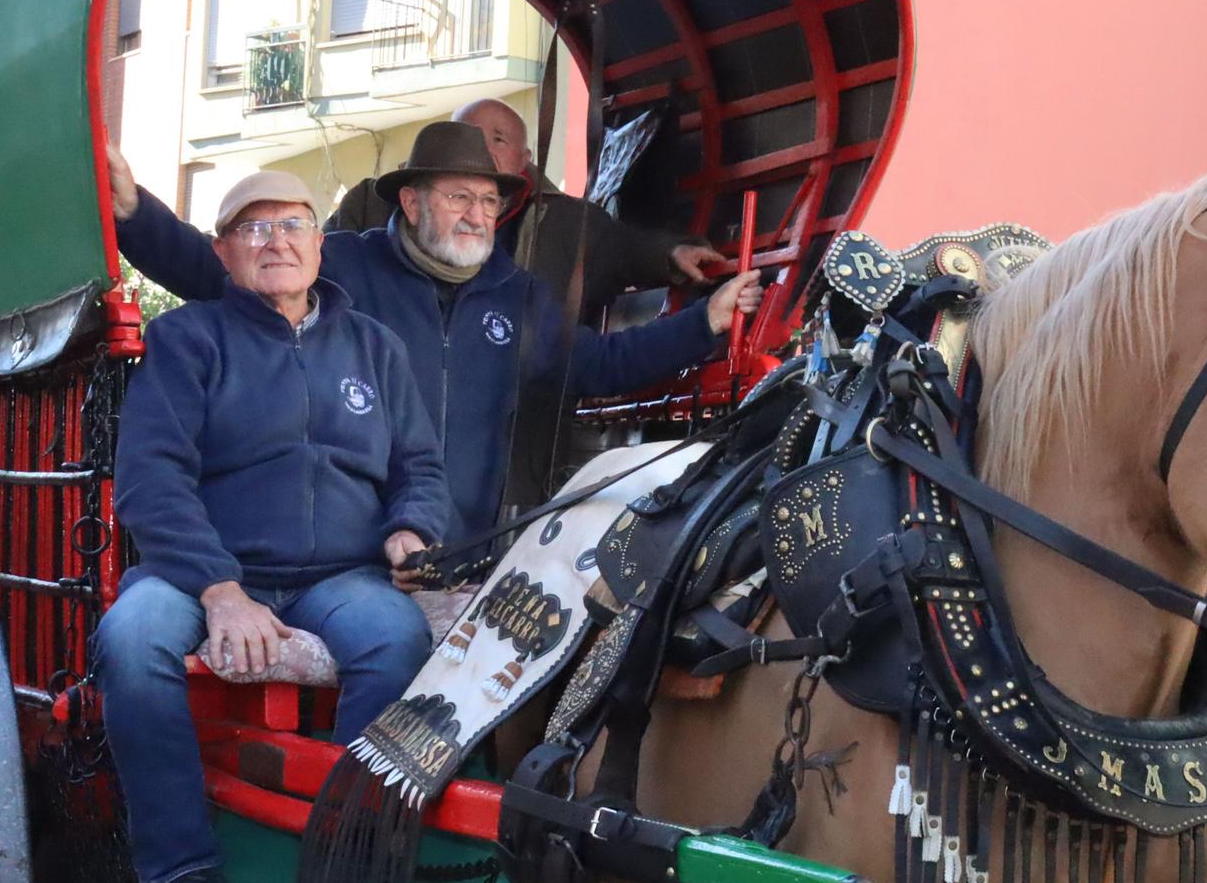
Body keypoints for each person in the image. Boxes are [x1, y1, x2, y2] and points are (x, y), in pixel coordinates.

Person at [107, 123, 762, 564]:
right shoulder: (343, 266)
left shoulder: (519, 296)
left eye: (486, 200)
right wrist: (136, 213)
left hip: (464, 557)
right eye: (459, 198)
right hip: (351, 558)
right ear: (414, 202)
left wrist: (705, 323)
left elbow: (600, 366)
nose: (478, 215)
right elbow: (216, 272)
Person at [94, 171, 451, 883]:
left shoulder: (374, 348)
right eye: (252, 229)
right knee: (130, 637)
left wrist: (411, 528)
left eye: (292, 223)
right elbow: (151, 481)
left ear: (320, 243)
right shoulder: (189, 338)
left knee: (397, 639)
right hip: (203, 570)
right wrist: (222, 592)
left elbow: (422, 468)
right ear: (223, 251)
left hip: (340, 575)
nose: (275, 241)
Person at [328, 98, 720, 323]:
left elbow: (627, 248)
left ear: (524, 159)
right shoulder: (370, 207)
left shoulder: (568, 224)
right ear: (412, 203)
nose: (480, 150)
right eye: (468, 136)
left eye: (497, 139)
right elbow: (316, 274)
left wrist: (672, 255)